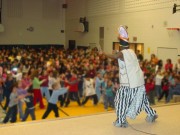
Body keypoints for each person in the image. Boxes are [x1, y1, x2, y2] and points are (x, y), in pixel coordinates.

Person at [100, 26, 157, 127]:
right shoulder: (131, 52)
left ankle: (121, 121)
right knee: (142, 99)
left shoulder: (122, 53)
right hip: (139, 81)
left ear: (120, 46)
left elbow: (115, 56)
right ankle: (152, 114)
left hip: (129, 83)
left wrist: (103, 52)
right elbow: (119, 56)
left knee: (120, 101)